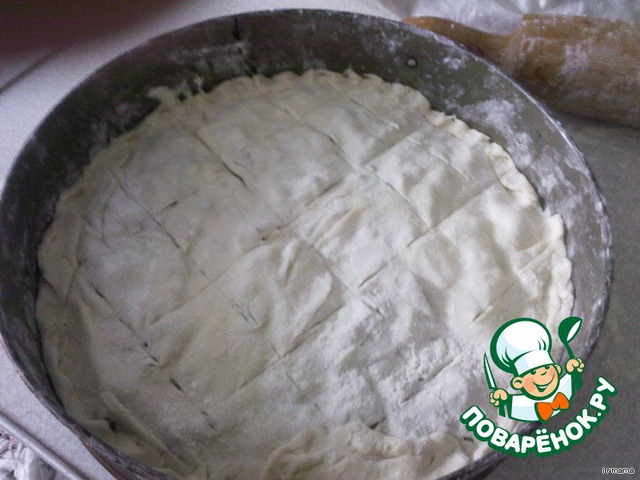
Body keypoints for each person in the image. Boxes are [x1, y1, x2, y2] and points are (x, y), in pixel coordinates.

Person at [488, 318, 584, 422]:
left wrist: (573, 369)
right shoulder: (523, 406)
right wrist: (502, 400)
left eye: (546, 368)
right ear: (518, 383)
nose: (543, 374)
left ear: (557, 369)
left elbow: (578, 380)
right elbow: (505, 411)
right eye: (533, 372)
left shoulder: (564, 386)